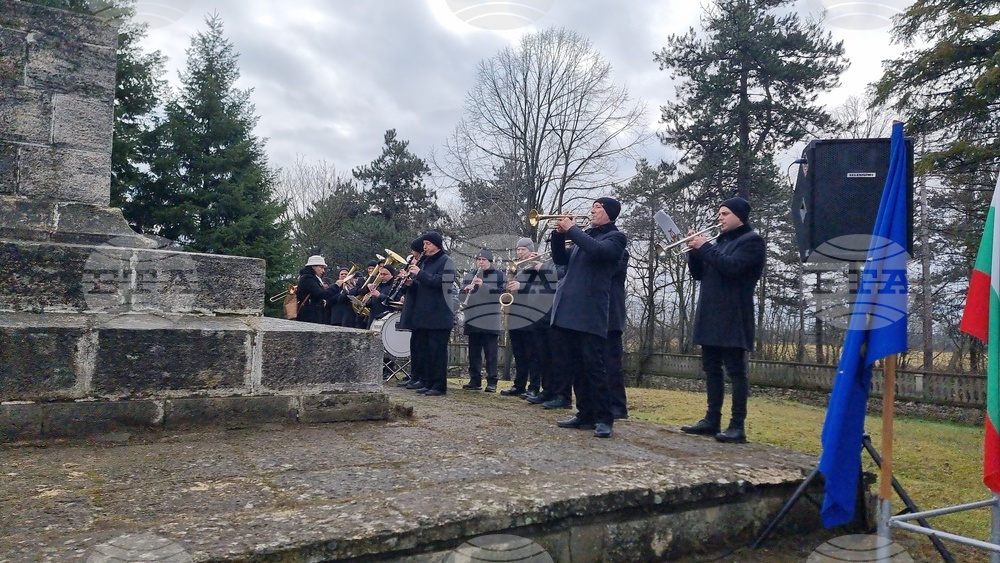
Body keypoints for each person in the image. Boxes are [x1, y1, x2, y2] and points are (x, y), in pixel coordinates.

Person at [680, 196, 766, 444]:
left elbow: (732, 268)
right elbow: (699, 274)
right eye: (719, 213)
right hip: (710, 313)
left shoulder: (752, 242)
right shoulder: (719, 242)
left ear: (740, 216)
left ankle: (737, 425)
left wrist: (704, 247)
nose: (720, 217)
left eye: (725, 213)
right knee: (711, 369)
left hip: (734, 314)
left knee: (736, 371)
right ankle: (711, 419)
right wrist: (694, 252)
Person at [549, 197, 627, 439]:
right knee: (576, 366)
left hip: (592, 310)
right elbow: (561, 259)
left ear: (610, 214)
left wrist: (572, 228)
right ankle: (585, 413)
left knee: (594, 366)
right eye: (592, 208)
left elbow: (599, 251)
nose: (592, 211)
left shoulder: (615, 238)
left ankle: (605, 418)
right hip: (571, 308)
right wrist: (559, 235)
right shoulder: (585, 237)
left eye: (598, 208)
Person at [405, 231, 456, 396]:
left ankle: (439, 386)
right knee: (425, 351)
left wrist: (419, 273)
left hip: (439, 315)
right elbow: (422, 286)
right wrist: (410, 283)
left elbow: (442, 282)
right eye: (424, 244)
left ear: (436, 245)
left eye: (427, 244)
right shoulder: (426, 262)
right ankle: (427, 381)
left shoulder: (446, 261)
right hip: (425, 314)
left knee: (437, 352)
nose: (424, 247)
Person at [501, 238, 543, 399]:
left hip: (530, 315)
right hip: (515, 313)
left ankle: (533, 387)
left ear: (530, 251)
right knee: (518, 352)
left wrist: (522, 286)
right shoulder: (517, 268)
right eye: (518, 250)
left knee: (532, 353)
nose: (519, 253)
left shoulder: (537, 267)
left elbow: (542, 288)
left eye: (523, 250)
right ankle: (519, 385)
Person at [459, 249, 505, 392]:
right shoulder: (470, 275)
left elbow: (501, 294)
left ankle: (492, 382)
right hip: (473, 317)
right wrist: (464, 290)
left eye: (483, 260)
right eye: (478, 259)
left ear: (489, 261)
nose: (480, 262)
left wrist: (483, 285)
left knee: (491, 353)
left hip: (490, 319)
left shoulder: (498, 275)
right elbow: (460, 298)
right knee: (474, 352)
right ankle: (475, 380)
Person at [607, 249, 629, 419]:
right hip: (594, 315)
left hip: (611, 315)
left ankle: (618, 406)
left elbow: (608, 271)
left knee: (612, 364)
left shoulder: (620, 252)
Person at [294, 255, 339, 324]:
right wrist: (336, 286)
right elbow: (320, 294)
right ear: (313, 267)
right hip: (309, 314)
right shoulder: (308, 278)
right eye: (321, 267)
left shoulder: (310, 278)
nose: (323, 271)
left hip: (313, 312)